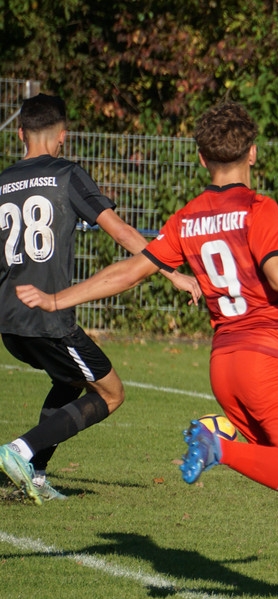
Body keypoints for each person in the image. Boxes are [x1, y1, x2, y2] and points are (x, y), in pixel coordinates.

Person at [17, 101, 278, 599]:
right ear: (253, 152)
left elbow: (128, 272)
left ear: (201, 157)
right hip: (268, 357)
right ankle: (220, 447)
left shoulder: (188, 217)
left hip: (224, 363)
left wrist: (57, 299)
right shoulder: (260, 207)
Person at [0, 93, 200, 504]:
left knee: (69, 380)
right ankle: (19, 451)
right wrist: (173, 273)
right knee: (111, 394)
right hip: (49, 321)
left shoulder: (2, 181)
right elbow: (122, 232)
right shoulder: (66, 173)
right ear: (62, 137)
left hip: (8, 322)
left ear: (20, 133)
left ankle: (34, 475)